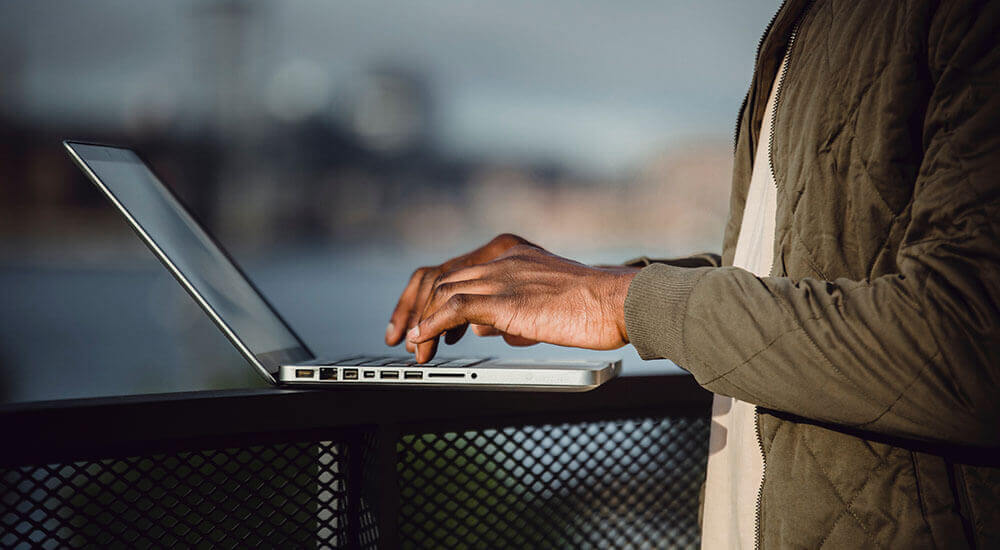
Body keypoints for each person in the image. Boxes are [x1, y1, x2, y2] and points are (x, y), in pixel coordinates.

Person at [385, 0, 999, 547]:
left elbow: (971, 343)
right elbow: (790, 275)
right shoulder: (807, 19)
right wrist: (582, 284)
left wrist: (620, 300)